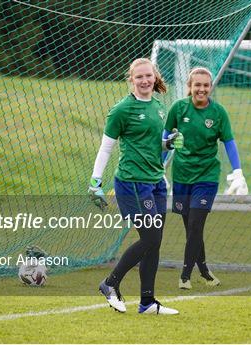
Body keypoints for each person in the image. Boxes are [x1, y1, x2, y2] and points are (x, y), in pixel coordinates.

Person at [88, 58, 183, 315]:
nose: (144, 80)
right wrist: (95, 182)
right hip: (131, 184)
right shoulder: (122, 110)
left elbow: (155, 144)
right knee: (151, 237)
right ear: (131, 79)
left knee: (154, 242)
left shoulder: (159, 108)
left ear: (154, 77)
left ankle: (147, 303)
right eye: (139, 77)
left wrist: (169, 143)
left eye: (148, 76)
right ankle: (110, 284)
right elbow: (106, 147)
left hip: (156, 183)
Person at [164, 67, 248, 290]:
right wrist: (159, 169)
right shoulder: (178, 109)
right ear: (190, 87)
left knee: (195, 224)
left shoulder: (219, 113)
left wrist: (238, 171)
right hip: (182, 176)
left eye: (205, 85)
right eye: (197, 85)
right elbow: (165, 140)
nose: (201, 89)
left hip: (207, 176)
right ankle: (203, 270)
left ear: (210, 87)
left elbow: (229, 142)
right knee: (192, 228)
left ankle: (184, 275)